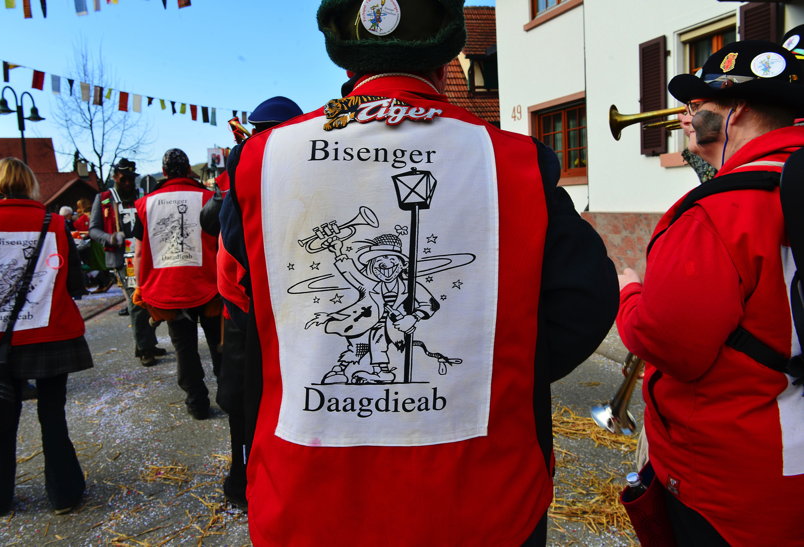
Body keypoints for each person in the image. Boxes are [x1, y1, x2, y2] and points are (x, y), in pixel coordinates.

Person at [218, 1, 618, 544]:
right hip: (480, 502)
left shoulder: (260, 159)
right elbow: (586, 298)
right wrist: (498, 373)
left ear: (345, 62)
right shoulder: (517, 160)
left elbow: (243, 308)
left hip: (309, 498)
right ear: (448, 55)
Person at [617, 40, 804, 546]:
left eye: (699, 108)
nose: (687, 118)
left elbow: (667, 342)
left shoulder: (719, 211)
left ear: (736, 111)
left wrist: (630, 293)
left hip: (735, 485)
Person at [200, 95, 303, 510]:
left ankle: (243, 482)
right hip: (290, 307)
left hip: (249, 307)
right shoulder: (304, 160)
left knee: (246, 402)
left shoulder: (246, 158)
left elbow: (226, 235)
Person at [0, 157, 93, 516]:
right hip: (49, 332)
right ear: (29, 184)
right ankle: (64, 494)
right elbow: (75, 284)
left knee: (1, 419)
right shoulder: (54, 223)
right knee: (53, 416)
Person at [133, 149, 222, 420]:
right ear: (187, 170)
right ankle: (230, 396)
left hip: (170, 288)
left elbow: (138, 252)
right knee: (219, 344)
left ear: (164, 170)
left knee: (185, 349)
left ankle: (196, 403)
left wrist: (140, 287)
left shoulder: (145, 204)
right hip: (209, 285)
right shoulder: (209, 198)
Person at [89, 158, 165, 365]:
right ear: (115, 177)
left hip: (146, 255)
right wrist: (110, 237)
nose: (128, 184)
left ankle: (145, 342)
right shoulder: (104, 198)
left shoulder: (142, 196)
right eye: (124, 180)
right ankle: (145, 349)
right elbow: (93, 229)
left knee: (152, 301)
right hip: (123, 258)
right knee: (137, 302)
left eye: (131, 179)